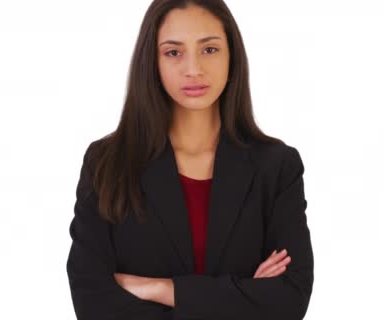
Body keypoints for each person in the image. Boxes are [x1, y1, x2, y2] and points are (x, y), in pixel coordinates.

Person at [65, 0, 314, 319]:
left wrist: (163, 290)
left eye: (209, 49)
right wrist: (242, 295)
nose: (193, 69)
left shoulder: (277, 167)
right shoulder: (107, 163)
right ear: (152, 61)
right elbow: (92, 303)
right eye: (173, 52)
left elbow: (289, 299)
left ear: (231, 56)